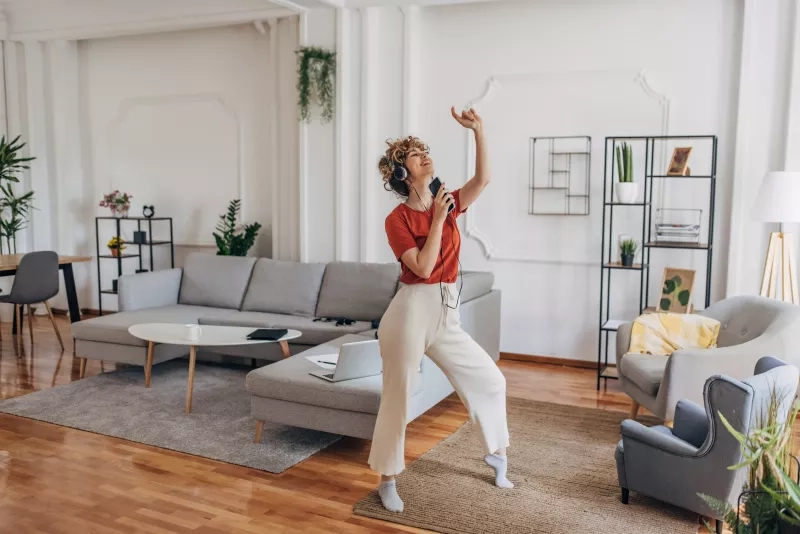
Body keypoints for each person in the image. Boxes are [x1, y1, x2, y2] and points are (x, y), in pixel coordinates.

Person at [368, 106, 511, 513]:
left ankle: (497, 453)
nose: (424, 155)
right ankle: (388, 479)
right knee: (398, 397)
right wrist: (435, 220)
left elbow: (483, 179)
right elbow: (424, 267)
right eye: (415, 155)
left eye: (424, 149)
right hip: (410, 313)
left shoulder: (447, 202)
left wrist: (478, 130)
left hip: (446, 311)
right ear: (401, 174)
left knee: (490, 380)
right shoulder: (397, 220)